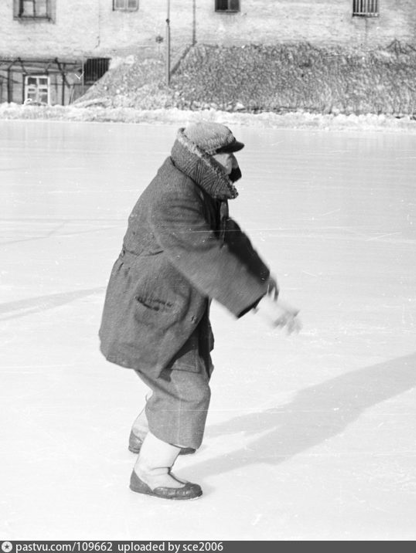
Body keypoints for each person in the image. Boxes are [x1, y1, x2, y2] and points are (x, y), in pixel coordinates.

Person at [99, 121, 301, 501]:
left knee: (194, 370)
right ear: (205, 157)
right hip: (149, 310)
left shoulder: (198, 183)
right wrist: (256, 302)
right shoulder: (173, 195)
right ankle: (150, 471)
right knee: (187, 392)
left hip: (173, 305)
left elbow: (223, 233)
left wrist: (257, 276)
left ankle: (146, 431)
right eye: (227, 153)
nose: (233, 159)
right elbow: (203, 254)